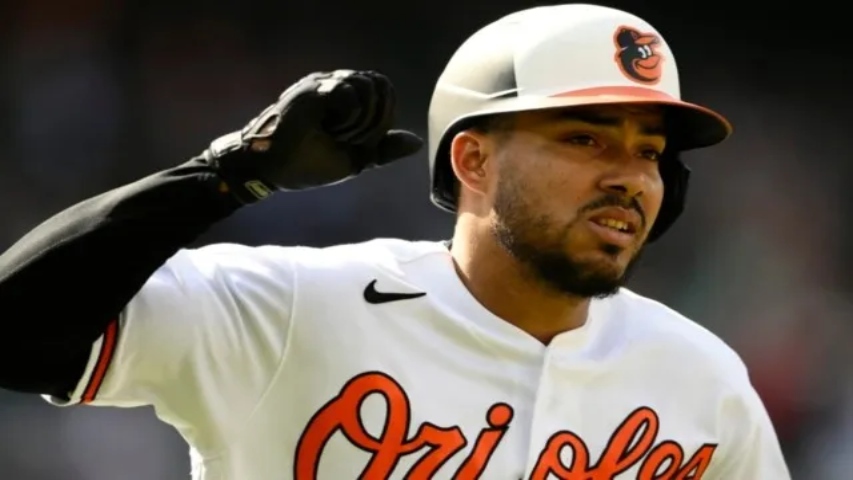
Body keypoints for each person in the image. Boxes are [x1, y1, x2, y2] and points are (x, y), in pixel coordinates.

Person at [0, 4, 790, 479]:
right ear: (473, 159)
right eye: (585, 139)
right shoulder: (294, 309)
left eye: (649, 152)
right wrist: (222, 177)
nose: (630, 176)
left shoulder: (700, 378)